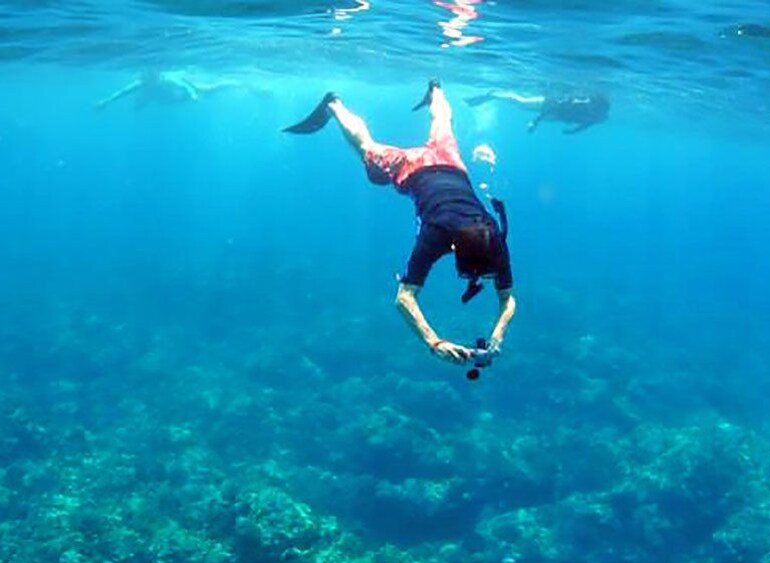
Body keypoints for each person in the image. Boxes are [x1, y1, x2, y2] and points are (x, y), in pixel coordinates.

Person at [283, 80, 516, 366]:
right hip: (412, 168)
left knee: (443, 122)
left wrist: (497, 337)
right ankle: (334, 105)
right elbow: (403, 298)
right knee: (366, 147)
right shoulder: (440, 236)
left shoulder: (494, 238)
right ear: (455, 249)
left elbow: (507, 300)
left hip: (450, 164)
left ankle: (436, 90)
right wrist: (434, 341)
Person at [465, 89, 610, 134]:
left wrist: (573, 131)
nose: (587, 104)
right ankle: (492, 95)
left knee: (521, 106)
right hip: (548, 104)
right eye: (589, 102)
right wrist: (535, 122)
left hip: (558, 116)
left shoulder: (599, 116)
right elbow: (554, 107)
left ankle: (494, 95)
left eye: (592, 104)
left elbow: (587, 125)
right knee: (520, 102)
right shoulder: (577, 103)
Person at [95, 70, 251, 110]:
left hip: (185, 92)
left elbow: (185, 86)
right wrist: (106, 101)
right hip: (169, 99)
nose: (149, 80)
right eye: (147, 79)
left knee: (209, 89)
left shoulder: (167, 79)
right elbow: (122, 92)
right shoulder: (140, 84)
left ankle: (241, 83)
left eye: (152, 78)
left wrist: (193, 95)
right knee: (143, 100)